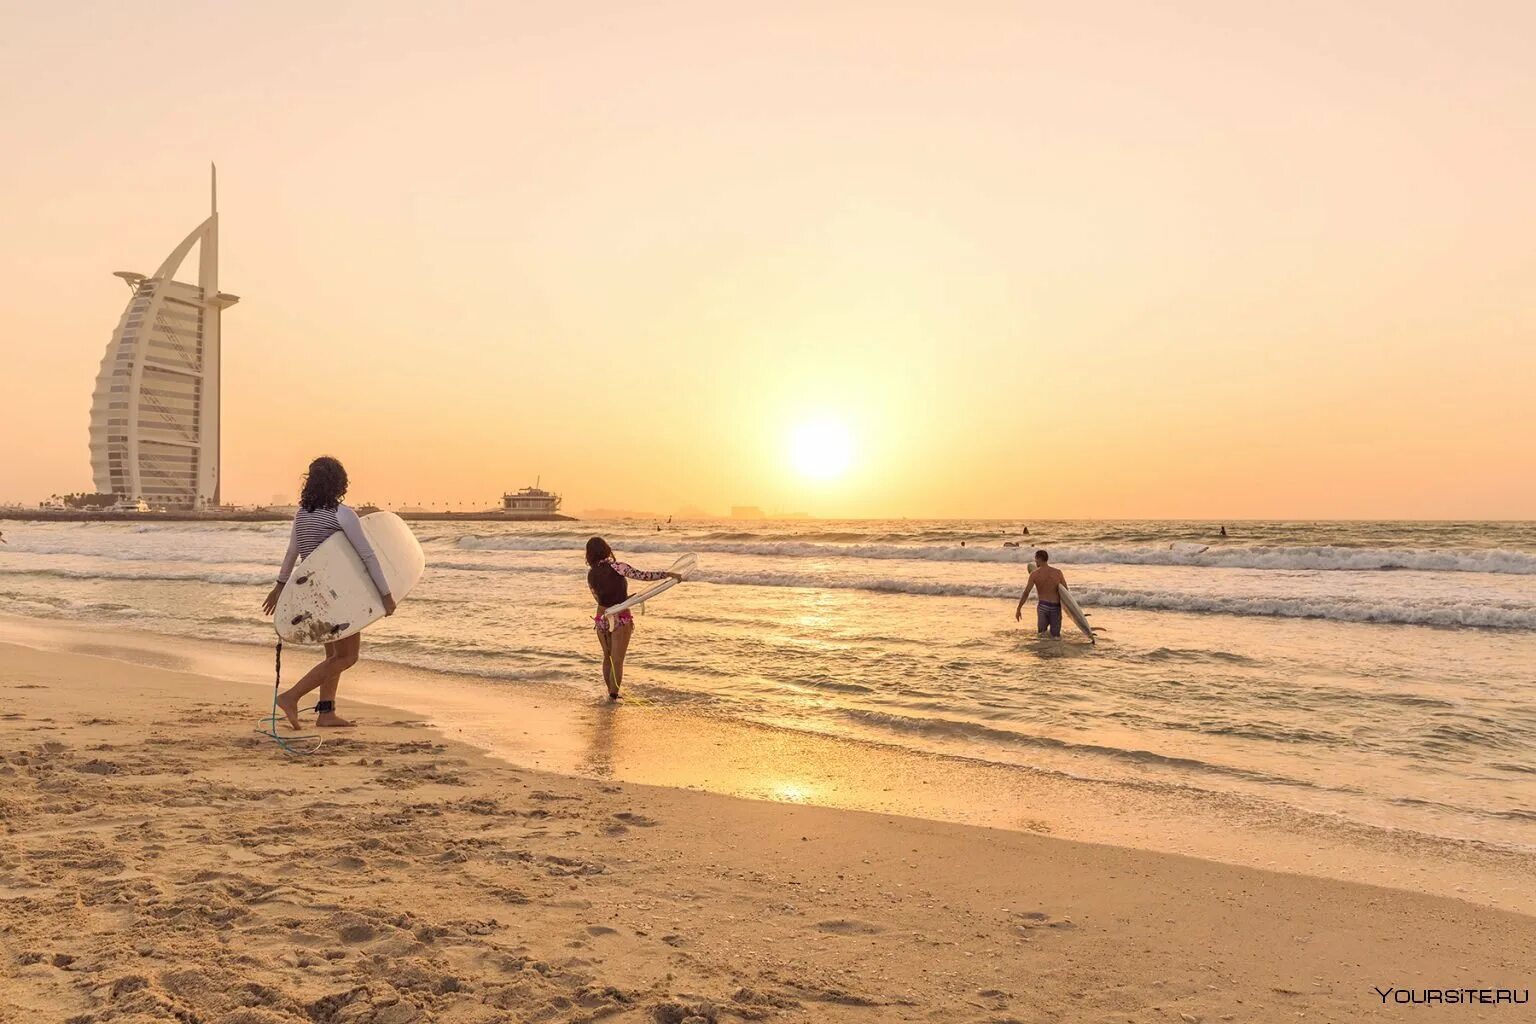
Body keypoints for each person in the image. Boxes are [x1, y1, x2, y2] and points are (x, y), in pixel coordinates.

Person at [261, 456, 395, 729]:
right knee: (347, 657)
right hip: (339, 595)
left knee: (332, 656)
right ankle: (291, 696)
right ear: (339, 481)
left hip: (313, 594)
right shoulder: (342, 514)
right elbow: (368, 556)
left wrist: (279, 586)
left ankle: (326, 712)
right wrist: (385, 594)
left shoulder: (302, 514)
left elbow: (292, 554)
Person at [586, 537, 680, 700]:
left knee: (607, 657)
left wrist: (622, 598)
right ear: (606, 549)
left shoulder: (591, 574)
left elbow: (598, 598)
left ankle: (610, 694)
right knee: (617, 659)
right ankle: (613, 696)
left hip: (602, 617)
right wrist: (667, 574)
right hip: (620, 615)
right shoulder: (618, 567)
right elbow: (643, 575)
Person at [1015, 549, 1066, 638]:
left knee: (1041, 635)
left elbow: (1026, 593)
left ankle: (1042, 651)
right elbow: (1066, 592)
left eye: (1035, 559)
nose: (1035, 561)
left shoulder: (1034, 574)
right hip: (1056, 607)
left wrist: (1019, 608)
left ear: (1039, 559)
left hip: (1043, 607)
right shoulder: (1058, 573)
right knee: (1056, 636)